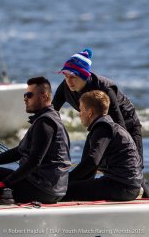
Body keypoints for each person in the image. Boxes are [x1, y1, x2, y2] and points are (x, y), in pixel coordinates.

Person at [52, 48, 148, 197]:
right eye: (65, 76)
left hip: (126, 126)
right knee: (87, 166)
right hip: (99, 128)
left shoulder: (104, 88)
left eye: (73, 77)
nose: (68, 81)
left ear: (84, 76)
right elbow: (51, 114)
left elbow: (119, 124)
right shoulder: (65, 88)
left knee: (134, 170)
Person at [0, 77, 71, 204]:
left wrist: (5, 183)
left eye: (29, 95)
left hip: (42, 189)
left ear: (44, 96)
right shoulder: (49, 118)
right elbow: (18, 152)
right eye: (24, 95)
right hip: (51, 188)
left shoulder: (45, 123)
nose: (25, 98)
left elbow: (34, 162)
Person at [62, 90, 143, 201]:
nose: (79, 114)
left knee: (65, 190)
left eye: (81, 110)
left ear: (89, 112)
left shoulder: (102, 128)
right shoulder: (106, 126)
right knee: (73, 187)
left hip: (122, 186)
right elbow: (89, 165)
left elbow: (92, 161)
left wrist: (65, 180)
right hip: (127, 185)